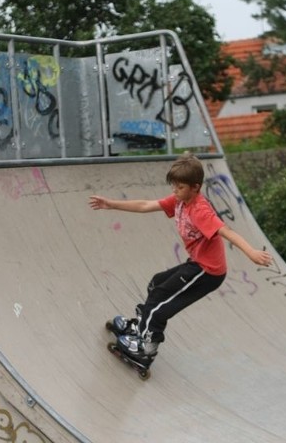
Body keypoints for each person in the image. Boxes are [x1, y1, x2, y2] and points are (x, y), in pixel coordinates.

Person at [89, 153, 272, 368]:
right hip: (196, 263)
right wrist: (111, 204)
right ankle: (141, 327)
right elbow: (147, 205)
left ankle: (147, 348)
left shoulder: (200, 210)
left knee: (160, 306)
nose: (175, 191)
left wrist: (251, 252)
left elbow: (226, 231)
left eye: (180, 187)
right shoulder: (180, 200)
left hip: (208, 272)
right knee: (156, 283)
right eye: (174, 187)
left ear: (195, 187)